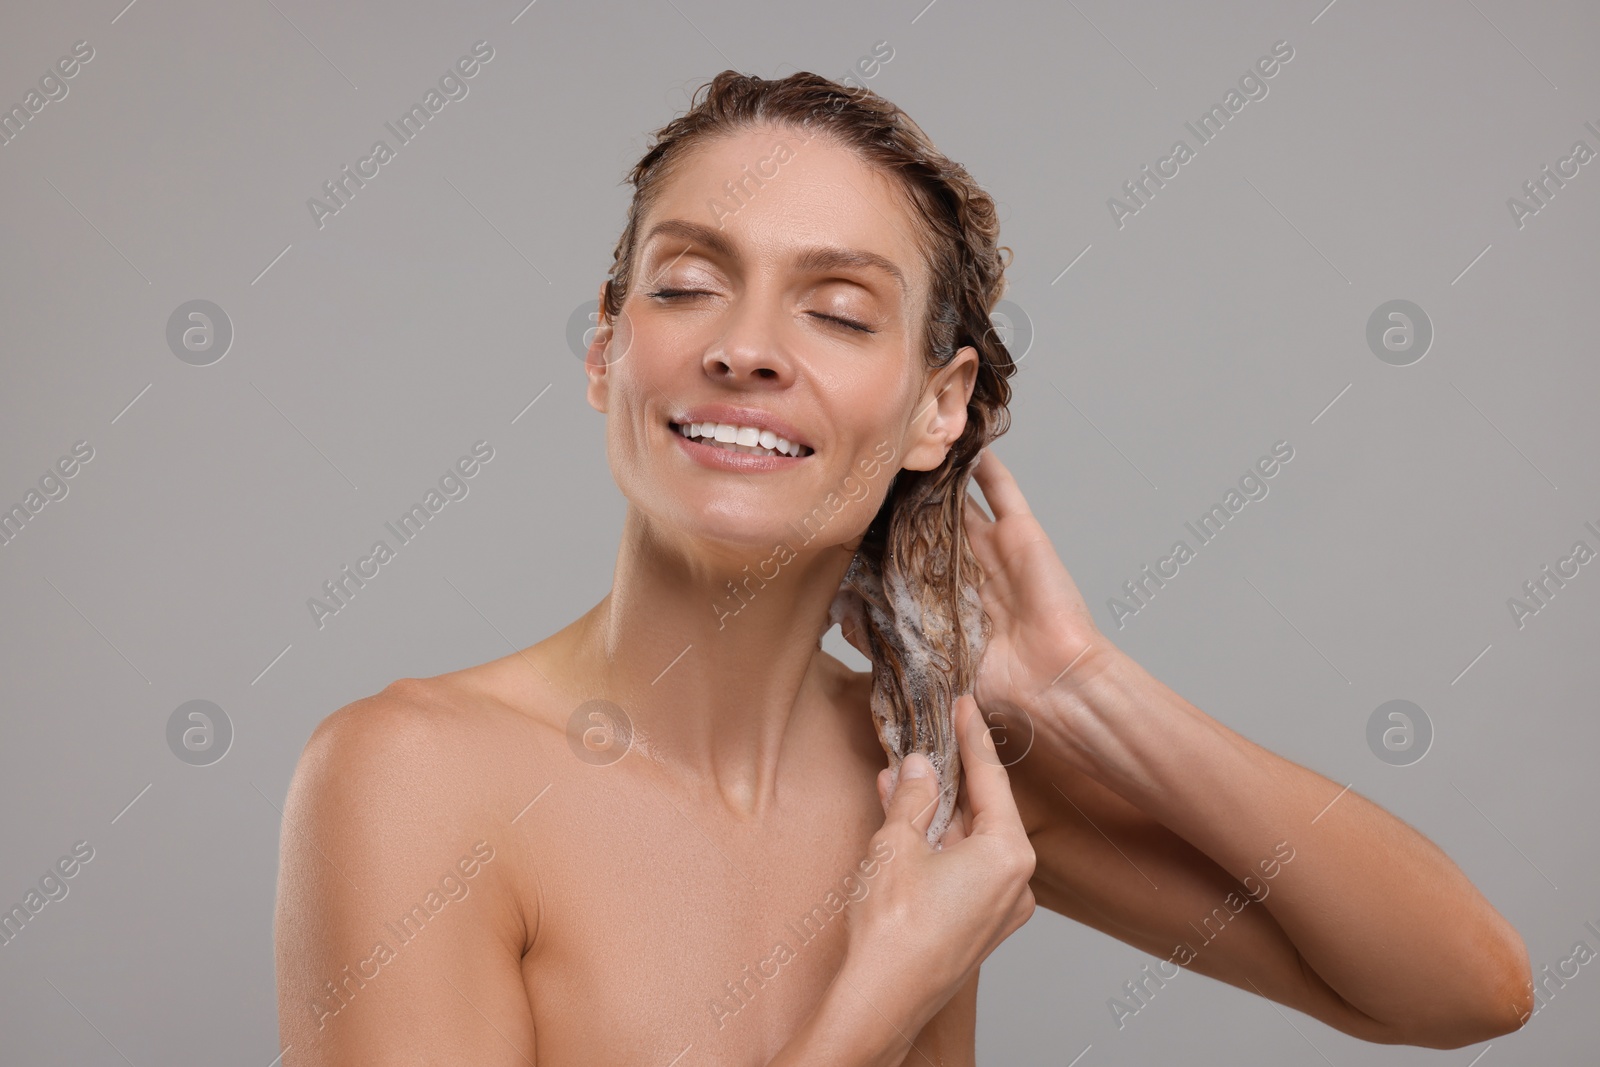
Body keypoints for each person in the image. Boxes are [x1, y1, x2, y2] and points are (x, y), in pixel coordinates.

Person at [273, 71, 1533, 1065]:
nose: (747, 347)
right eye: (689, 284)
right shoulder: (417, 773)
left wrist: (1084, 687)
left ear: (940, 408)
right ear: (608, 352)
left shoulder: (939, 780)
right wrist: (872, 1013)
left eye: (836, 310)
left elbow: (1461, 988)